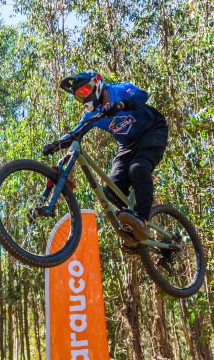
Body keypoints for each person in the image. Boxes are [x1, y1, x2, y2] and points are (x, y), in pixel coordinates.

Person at [43, 71, 168, 243]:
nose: (84, 97)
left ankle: (142, 219)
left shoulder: (119, 89)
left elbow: (142, 95)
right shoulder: (92, 115)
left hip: (152, 130)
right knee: (111, 189)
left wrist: (120, 105)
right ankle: (133, 224)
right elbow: (74, 134)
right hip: (127, 145)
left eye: (85, 91)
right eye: (79, 96)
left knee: (138, 169)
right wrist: (56, 144)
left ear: (97, 83)